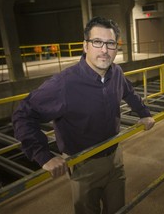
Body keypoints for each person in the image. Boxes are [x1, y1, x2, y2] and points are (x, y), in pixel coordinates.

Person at [12, 16, 155, 214]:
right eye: (97, 42)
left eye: (110, 43)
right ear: (85, 46)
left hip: (115, 158)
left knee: (119, 209)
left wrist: (144, 113)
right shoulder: (64, 84)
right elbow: (23, 114)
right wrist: (43, 155)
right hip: (83, 165)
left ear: (116, 47)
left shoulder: (117, 73)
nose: (104, 50)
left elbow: (129, 92)